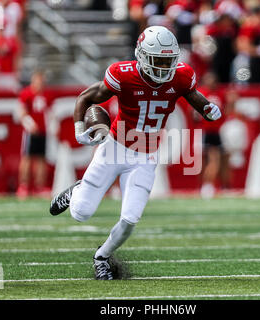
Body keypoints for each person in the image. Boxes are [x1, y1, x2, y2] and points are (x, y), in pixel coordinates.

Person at [49, 26, 221, 280]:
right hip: (115, 148)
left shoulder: (180, 76)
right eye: (158, 60)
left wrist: (207, 107)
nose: (164, 67)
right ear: (142, 56)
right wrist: (78, 128)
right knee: (81, 213)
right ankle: (76, 191)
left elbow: (191, 94)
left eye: (169, 60)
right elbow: (87, 97)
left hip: (146, 156)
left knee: (130, 220)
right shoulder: (123, 74)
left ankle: (102, 257)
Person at [16, 70, 51, 199]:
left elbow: (48, 113)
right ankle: (23, 186)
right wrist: (30, 124)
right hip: (31, 131)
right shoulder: (27, 94)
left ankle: (39, 186)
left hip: (43, 131)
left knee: (41, 159)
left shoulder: (46, 95)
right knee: (27, 158)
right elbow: (22, 112)